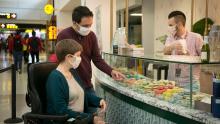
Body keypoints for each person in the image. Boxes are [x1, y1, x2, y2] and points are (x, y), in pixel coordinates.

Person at [57, 6, 125, 112]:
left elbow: (97, 59)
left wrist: (111, 71)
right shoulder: (63, 36)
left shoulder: (91, 36)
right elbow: (61, 62)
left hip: (87, 86)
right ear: (75, 23)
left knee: (93, 116)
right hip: (70, 86)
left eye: (90, 25)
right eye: (85, 25)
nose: (88, 28)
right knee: (76, 118)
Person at [46, 39, 106, 124]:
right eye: (78, 56)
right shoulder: (55, 78)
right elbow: (61, 111)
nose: (80, 59)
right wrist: (90, 118)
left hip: (79, 119)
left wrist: (98, 101)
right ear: (68, 57)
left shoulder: (73, 72)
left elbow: (81, 94)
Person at [163, 11, 203, 90]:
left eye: (171, 25)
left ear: (179, 24)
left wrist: (188, 55)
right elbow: (165, 52)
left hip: (190, 83)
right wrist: (172, 46)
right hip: (172, 82)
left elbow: (204, 58)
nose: (169, 27)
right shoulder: (170, 38)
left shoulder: (196, 37)